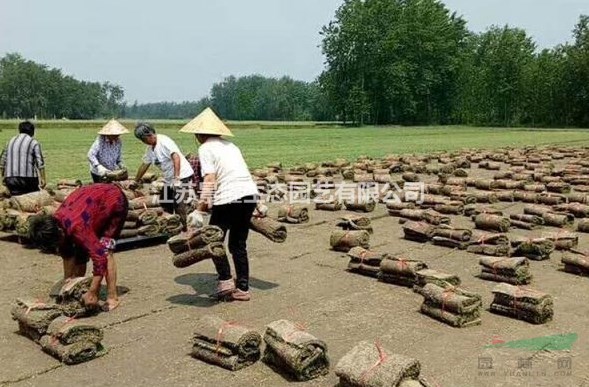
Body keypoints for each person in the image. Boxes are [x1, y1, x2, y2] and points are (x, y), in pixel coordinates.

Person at [180, 107, 260, 301]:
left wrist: (200, 209)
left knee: (214, 240)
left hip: (229, 199)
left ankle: (225, 281)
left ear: (200, 134)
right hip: (249, 195)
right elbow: (243, 173)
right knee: (238, 244)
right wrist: (257, 205)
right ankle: (243, 288)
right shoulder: (231, 146)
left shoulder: (205, 148)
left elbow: (210, 179)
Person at [27, 184, 128, 311]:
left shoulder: (77, 227)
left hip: (114, 201)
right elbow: (67, 252)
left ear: (59, 230)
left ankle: (112, 297)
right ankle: (79, 287)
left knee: (106, 249)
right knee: (78, 249)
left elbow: (100, 258)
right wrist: (67, 284)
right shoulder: (57, 222)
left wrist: (93, 291)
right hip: (90, 205)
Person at [133, 122, 194, 224]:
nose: (143, 142)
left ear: (150, 134)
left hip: (182, 176)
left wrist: (177, 178)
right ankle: (170, 226)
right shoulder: (150, 148)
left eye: (144, 139)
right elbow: (144, 164)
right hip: (169, 178)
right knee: (165, 202)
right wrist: (135, 181)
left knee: (179, 203)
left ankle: (183, 229)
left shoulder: (164, 141)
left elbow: (176, 157)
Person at [0, 121, 46, 195]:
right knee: (34, 194)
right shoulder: (33, 142)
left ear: (20, 130)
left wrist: (3, 178)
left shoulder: (9, 141)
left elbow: (2, 162)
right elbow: (40, 162)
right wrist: (43, 179)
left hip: (10, 180)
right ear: (32, 132)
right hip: (27, 180)